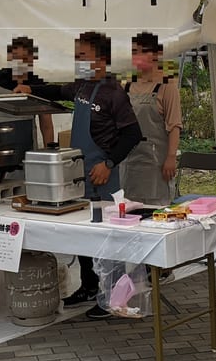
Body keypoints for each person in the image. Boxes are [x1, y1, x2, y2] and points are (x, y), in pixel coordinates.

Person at [31, 31, 142, 319]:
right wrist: (29, 88)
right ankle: (90, 286)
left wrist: (108, 163)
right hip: (80, 176)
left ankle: (114, 298)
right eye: (77, 56)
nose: (78, 61)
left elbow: (132, 134)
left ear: (101, 60)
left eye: (83, 56)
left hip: (103, 176)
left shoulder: (113, 92)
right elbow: (57, 92)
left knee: (108, 239)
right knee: (82, 235)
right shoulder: (82, 87)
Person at [122, 32, 182, 207]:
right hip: (130, 160)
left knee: (156, 211)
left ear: (157, 55)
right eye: (134, 52)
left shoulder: (167, 86)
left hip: (156, 161)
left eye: (142, 51)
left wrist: (171, 157)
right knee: (130, 210)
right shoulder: (126, 85)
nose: (137, 57)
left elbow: (174, 125)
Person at [0, 35, 56, 147]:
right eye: (16, 57)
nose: (20, 62)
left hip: (26, 146)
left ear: (32, 59)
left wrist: (49, 152)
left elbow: (46, 125)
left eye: (24, 58)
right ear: (9, 57)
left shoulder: (38, 85)